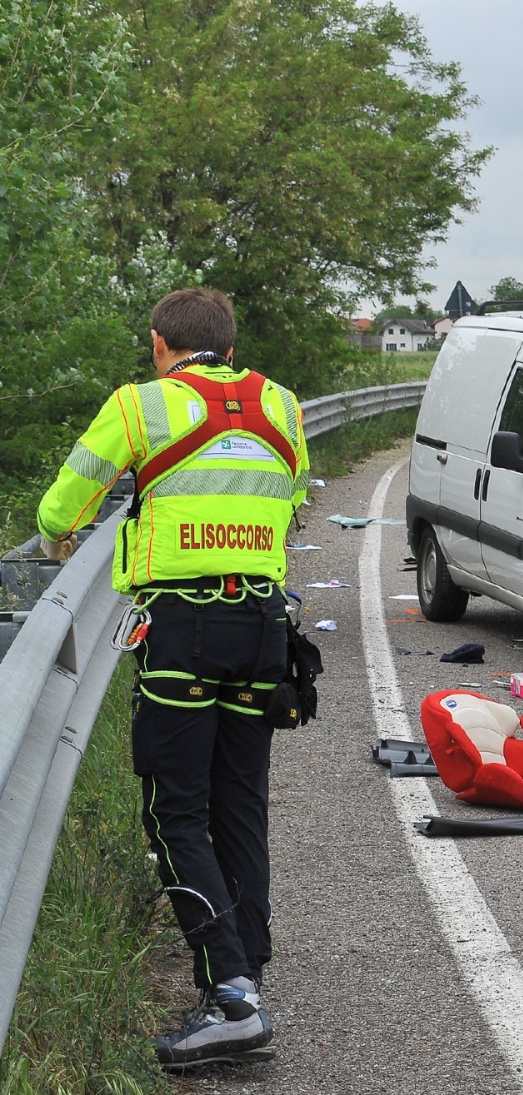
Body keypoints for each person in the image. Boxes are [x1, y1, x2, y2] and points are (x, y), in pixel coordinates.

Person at [36, 287, 308, 1068]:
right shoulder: (283, 407)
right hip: (262, 626)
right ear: (230, 342)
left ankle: (230, 995)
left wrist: (73, 529)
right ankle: (243, 971)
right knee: (239, 805)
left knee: (174, 814)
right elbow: (289, 499)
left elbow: (60, 512)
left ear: (161, 343)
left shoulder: (140, 406)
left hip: (184, 629)